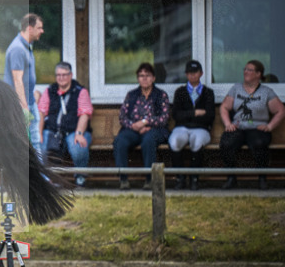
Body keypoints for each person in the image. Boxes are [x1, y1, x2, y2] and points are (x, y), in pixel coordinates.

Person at [219, 60, 283, 190]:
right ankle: (231, 177)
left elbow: (280, 110)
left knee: (259, 143)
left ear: (258, 74)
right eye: (245, 69)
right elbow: (224, 107)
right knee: (226, 143)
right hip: (238, 127)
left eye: (249, 70)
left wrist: (269, 127)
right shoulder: (236, 89)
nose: (245, 72)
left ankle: (262, 178)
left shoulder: (266, 92)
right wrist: (228, 123)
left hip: (257, 128)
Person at [114, 62, 171, 190]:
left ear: (154, 78)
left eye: (147, 75)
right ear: (138, 78)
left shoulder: (161, 95)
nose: (144, 78)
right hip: (133, 130)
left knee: (148, 140)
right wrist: (134, 126)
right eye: (141, 75)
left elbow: (164, 118)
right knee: (120, 140)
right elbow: (122, 117)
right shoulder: (132, 95)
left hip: (155, 130)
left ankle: (149, 179)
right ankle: (123, 180)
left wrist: (145, 122)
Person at [38, 61, 93, 187]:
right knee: (40, 144)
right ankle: (47, 178)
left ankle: (80, 176)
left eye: (64, 75)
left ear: (70, 75)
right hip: (53, 131)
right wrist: (39, 133)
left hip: (74, 131)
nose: (61, 78)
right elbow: (41, 112)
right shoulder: (49, 91)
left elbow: (85, 114)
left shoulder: (80, 91)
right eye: (58, 75)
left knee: (78, 146)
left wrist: (79, 133)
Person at [169, 60, 216, 190]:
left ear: (201, 73)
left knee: (197, 141)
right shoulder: (180, 92)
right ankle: (180, 178)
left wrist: (187, 115)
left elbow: (210, 116)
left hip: (201, 129)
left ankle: (194, 178)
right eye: (189, 73)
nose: (192, 75)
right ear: (186, 74)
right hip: (181, 128)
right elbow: (176, 115)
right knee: (174, 141)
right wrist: (195, 113)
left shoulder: (208, 93)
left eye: (195, 72)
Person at [3, 13, 45, 156]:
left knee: (33, 141)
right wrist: (24, 108)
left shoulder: (27, 46)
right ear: (29, 28)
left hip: (29, 102)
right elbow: (17, 80)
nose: (42, 31)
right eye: (39, 28)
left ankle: (42, 177)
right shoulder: (17, 49)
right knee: (11, 141)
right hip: (20, 105)